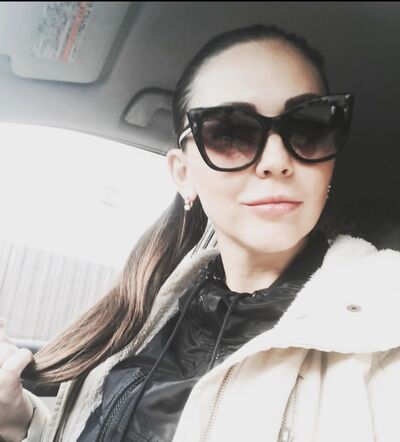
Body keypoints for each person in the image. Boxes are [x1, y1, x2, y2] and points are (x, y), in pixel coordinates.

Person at [1, 23, 400, 442]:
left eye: (308, 126)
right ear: (183, 174)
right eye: (230, 132)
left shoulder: (384, 326)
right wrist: (21, 422)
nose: (277, 160)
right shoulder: (144, 310)